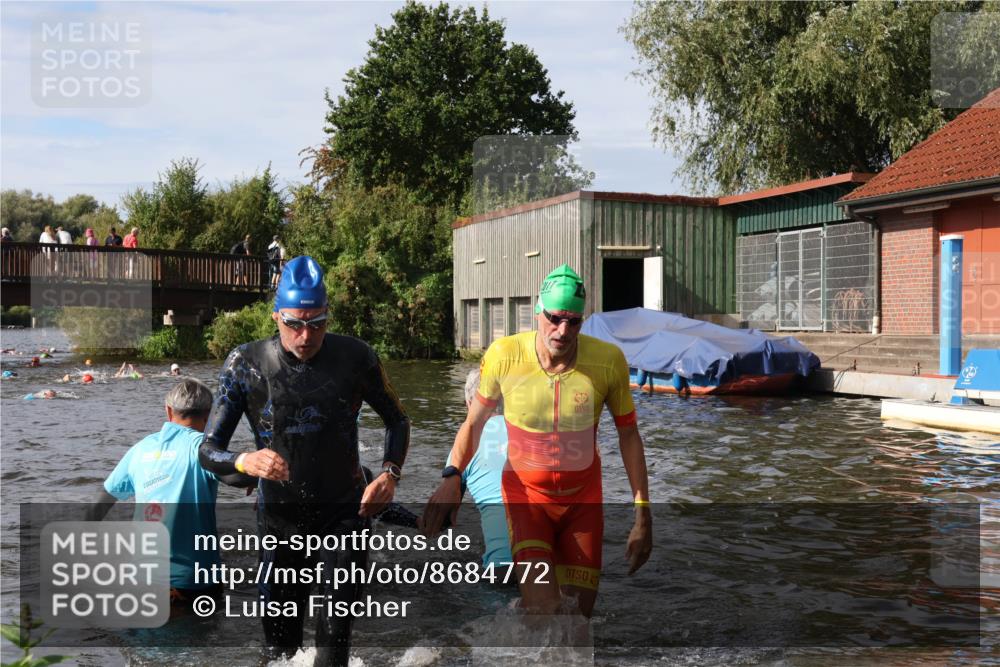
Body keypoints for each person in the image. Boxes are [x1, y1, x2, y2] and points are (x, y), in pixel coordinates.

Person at [198, 255, 410, 667]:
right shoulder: (246, 364)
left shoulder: (357, 357)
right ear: (276, 315)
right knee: (279, 652)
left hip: (345, 514)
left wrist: (390, 473)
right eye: (294, 323)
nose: (306, 335)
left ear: (329, 317)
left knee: (333, 648)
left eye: (317, 323)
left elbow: (397, 420)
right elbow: (208, 451)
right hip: (279, 519)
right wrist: (245, 461)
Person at [424, 264, 653, 620]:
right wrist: (452, 475)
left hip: (583, 504)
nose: (563, 331)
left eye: (574, 322)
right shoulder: (505, 356)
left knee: (578, 621)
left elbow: (629, 435)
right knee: (545, 611)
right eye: (554, 318)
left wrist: (643, 515)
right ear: (537, 310)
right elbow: (474, 422)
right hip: (527, 499)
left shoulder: (608, 362)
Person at [87, 379, 254, 603]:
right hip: (192, 583)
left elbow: (99, 505)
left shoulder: (140, 448)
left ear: (168, 410)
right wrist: (256, 474)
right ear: (209, 416)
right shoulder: (203, 450)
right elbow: (236, 477)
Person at [437, 369, 512, 569]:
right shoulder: (531, 431)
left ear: (469, 404)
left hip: (502, 567)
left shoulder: (461, 449)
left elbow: (443, 518)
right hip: (550, 561)